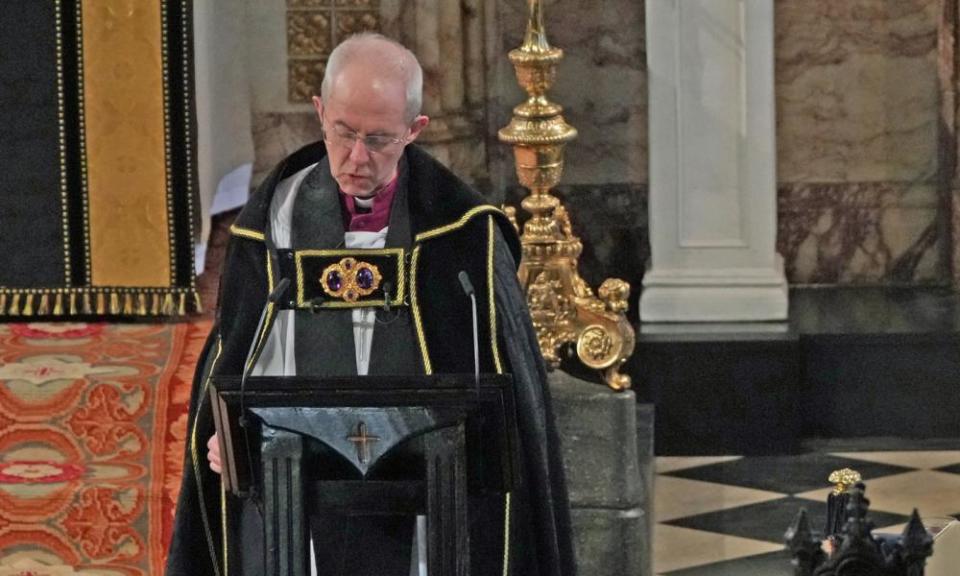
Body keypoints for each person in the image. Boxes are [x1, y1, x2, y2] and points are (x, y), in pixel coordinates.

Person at [166, 33, 576, 576]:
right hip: (299, 496)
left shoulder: (462, 235)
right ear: (319, 112)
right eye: (343, 132)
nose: (357, 158)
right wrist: (229, 435)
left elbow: (510, 395)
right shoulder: (272, 225)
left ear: (415, 130)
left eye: (379, 139)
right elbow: (237, 363)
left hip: (430, 506)